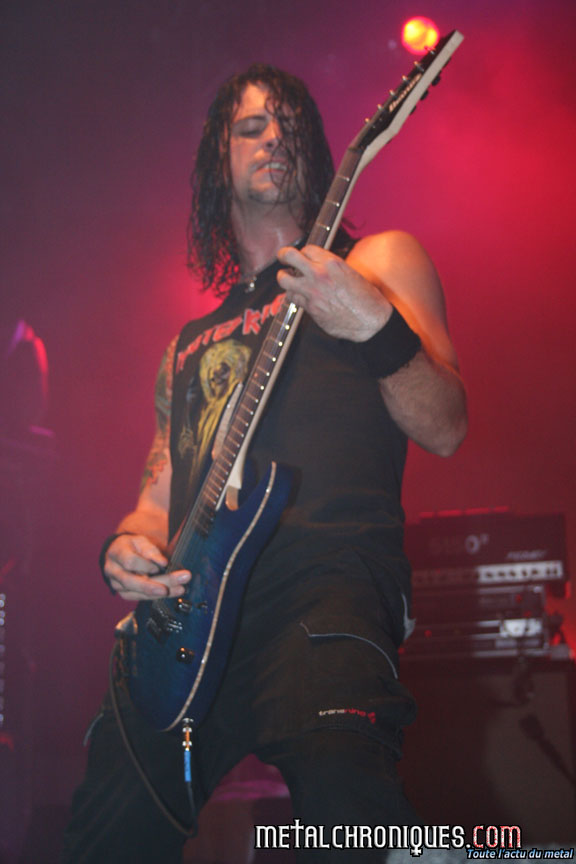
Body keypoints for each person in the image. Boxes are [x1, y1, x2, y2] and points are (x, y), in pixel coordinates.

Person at [62, 64, 467, 862]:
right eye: (252, 127)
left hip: (324, 586)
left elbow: (448, 426)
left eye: (289, 124)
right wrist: (126, 545)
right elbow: (157, 495)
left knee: (350, 822)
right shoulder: (185, 347)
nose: (274, 137)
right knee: (105, 832)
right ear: (220, 158)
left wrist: (374, 323)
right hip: (189, 618)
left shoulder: (378, 260)